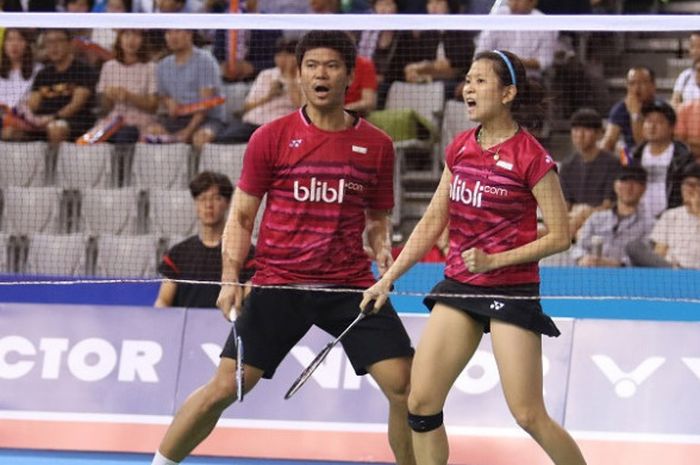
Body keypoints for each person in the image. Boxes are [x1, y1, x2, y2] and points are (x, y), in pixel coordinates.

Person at [149, 31, 416, 465]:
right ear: (300, 74)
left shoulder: (378, 147)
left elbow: (377, 218)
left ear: (348, 75)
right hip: (279, 285)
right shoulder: (270, 138)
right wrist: (230, 277)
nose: (320, 74)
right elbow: (241, 217)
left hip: (346, 286)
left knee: (406, 387)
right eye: (311, 66)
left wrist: (381, 249)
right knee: (223, 388)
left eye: (331, 65)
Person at [361, 50, 587, 465]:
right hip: (461, 285)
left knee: (528, 413)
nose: (468, 88)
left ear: (508, 93)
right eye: (467, 80)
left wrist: (496, 261)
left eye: (480, 81)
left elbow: (561, 236)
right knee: (421, 403)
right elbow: (431, 221)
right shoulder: (461, 147)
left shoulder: (531, 157)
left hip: (511, 290)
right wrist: (387, 277)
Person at [155, 171, 255, 309]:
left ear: (227, 203)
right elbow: (163, 301)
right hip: (185, 328)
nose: (208, 205)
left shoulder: (246, 252)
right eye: (202, 198)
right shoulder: (178, 253)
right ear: (196, 204)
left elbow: (250, 303)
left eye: (216, 198)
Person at [209, 37, 302, 144]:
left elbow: (301, 106)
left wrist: (289, 78)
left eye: (287, 55)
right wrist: (269, 96)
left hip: (279, 127)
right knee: (222, 139)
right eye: (279, 55)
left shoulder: (304, 77)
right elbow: (247, 107)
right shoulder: (266, 74)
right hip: (253, 123)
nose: (282, 59)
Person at [143, 29, 224, 146]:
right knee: (149, 133)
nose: (173, 37)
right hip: (177, 119)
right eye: (169, 33)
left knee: (200, 139)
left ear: (189, 34)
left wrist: (188, 131)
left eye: (177, 32)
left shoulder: (206, 61)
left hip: (208, 119)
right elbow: (162, 95)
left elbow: (205, 105)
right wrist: (168, 102)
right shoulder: (162, 66)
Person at [20, 29, 98, 145]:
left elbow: (76, 104)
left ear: (70, 44)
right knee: (11, 131)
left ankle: (52, 163)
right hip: (43, 121)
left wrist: (53, 118)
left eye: (58, 41)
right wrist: (23, 114)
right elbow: (33, 104)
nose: (53, 47)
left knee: (55, 129)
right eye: (49, 42)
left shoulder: (83, 70)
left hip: (75, 122)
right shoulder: (43, 74)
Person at [572, 164, 653, 267]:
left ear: (644, 188)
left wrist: (618, 264)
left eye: (635, 182)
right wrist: (583, 258)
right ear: (615, 185)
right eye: (624, 180)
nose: (629, 187)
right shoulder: (596, 218)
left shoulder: (650, 224)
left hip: (626, 277)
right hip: (590, 273)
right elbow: (579, 247)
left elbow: (645, 257)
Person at [87, 29, 158, 144]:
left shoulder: (151, 67)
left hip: (139, 123)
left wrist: (128, 96)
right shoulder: (108, 67)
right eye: (127, 35)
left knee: (125, 135)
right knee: (87, 142)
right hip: (111, 122)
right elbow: (104, 108)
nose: (131, 40)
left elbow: (152, 105)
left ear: (143, 40)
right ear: (119, 38)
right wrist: (108, 96)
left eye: (136, 35)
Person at [560, 107, 621, 236]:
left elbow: (608, 205)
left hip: (602, 222)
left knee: (581, 225)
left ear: (599, 133)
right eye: (576, 129)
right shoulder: (567, 166)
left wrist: (585, 212)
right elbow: (565, 206)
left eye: (586, 129)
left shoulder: (612, 163)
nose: (580, 135)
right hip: (572, 220)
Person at [626, 162, 700, 269]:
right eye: (686, 185)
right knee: (633, 247)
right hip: (670, 274)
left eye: (694, 185)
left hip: (696, 276)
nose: (689, 190)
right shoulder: (671, 215)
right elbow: (659, 254)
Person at [629, 99, 694, 220]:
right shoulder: (634, 155)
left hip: (672, 220)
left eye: (658, 122)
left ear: (671, 128)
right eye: (648, 121)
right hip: (637, 219)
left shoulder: (683, 158)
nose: (652, 126)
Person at [600, 66, 657, 154]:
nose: (636, 89)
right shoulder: (621, 108)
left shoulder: (661, 109)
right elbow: (609, 140)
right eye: (632, 83)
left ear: (653, 86)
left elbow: (644, 147)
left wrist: (635, 114)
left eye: (641, 83)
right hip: (630, 159)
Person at [673, 57, 700, 159]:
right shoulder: (684, 110)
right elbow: (680, 145)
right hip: (689, 168)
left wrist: (692, 141)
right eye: (699, 71)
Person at [670, 31, 700, 110]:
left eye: (699, 46)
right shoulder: (685, 76)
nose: (696, 51)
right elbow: (674, 105)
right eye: (693, 46)